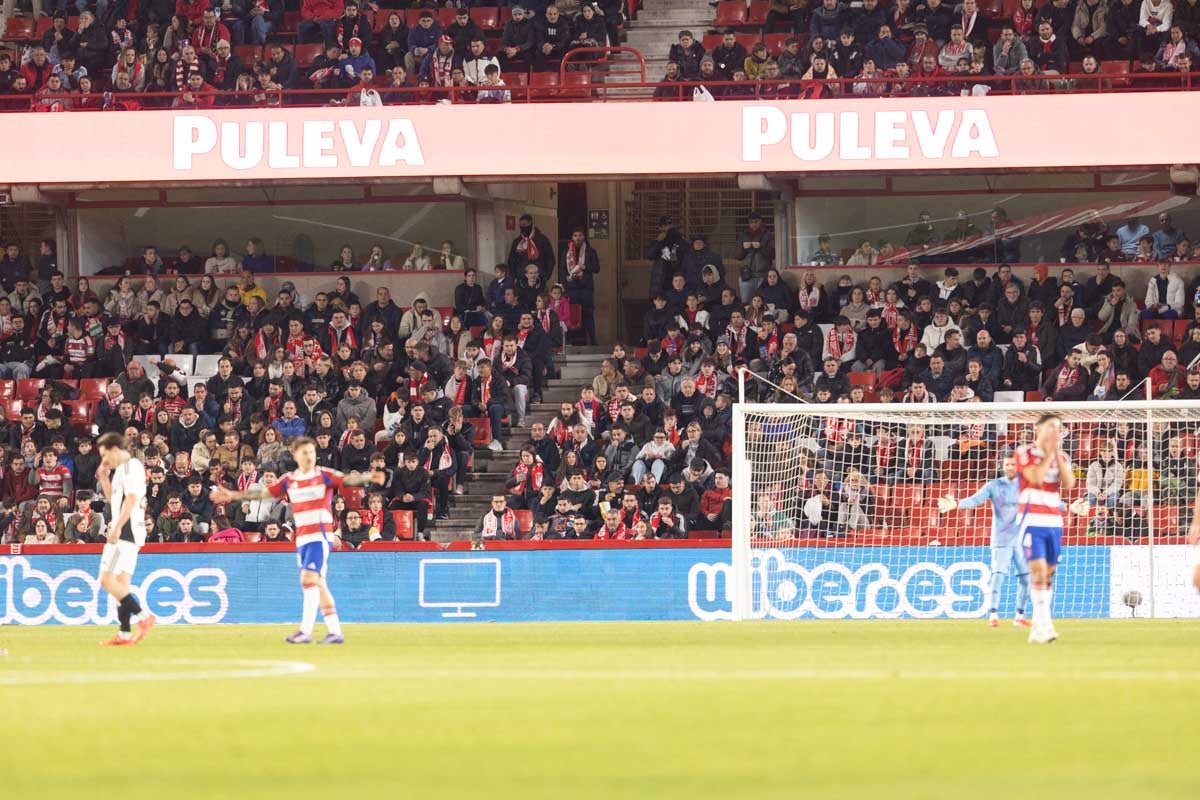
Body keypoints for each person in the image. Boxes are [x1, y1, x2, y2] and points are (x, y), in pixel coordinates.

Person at [211, 436, 383, 644]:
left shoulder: (323, 475)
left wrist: (369, 476)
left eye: (312, 452)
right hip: (302, 539)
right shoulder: (290, 480)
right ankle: (322, 631)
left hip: (319, 537)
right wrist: (232, 494)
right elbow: (263, 493)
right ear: (295, 455)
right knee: (312, 584)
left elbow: (347, 479)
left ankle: (316, 631)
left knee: (311, 580)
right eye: (305, 453)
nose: (310, 456)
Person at [938, 455, 1031, 628]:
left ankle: (1019, 615)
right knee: (998, 576)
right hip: (1001, 539)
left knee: (1026, 579)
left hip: (1021, 540)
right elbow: (975, 499)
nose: (1010, 467)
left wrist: (1068, 507)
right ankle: (993, 614)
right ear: (1002, 466)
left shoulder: (1026, 485)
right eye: (1007, 464)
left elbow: (1044, 502)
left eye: (1013, 464)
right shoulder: (994, 485)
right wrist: (956, 504)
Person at [1015, 413, 1075, 644]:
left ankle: (1037, 629)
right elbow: (1036, 478)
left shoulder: (1062, 456)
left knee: (1048, 574)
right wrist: (1049, 453)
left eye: (1058, 428)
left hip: (1054, 521)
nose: (1055, 432)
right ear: (1037, 429)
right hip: (1031, 519)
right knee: (1038, 570)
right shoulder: (1024, 452)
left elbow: (1069, 484)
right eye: (1051, 427)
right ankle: (1046, 625)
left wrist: (1057, 457)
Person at [95, 432, 157, 646]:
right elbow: (115, 498)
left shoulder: (132, 467)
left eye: (105, 455)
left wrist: (118, 527)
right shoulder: (122, 469)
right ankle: (124, 633)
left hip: (126, 531)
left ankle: (143, 617)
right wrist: (103, 476)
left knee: (106, 579)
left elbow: (131, 499)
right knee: (121, 584)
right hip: (130, 532)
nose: (104, 460)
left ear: (114, 449)